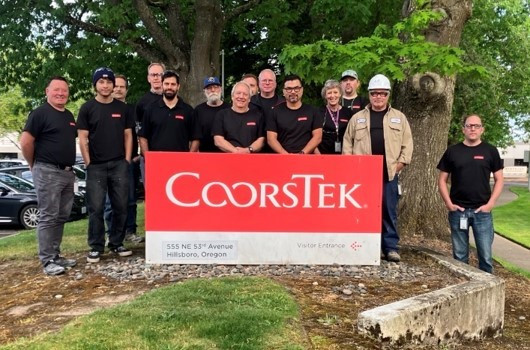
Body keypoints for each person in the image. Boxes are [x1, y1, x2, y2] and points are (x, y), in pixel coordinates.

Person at [342, 74, 413, 262]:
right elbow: (347, 143)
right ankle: (362, 246)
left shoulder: (399, 118)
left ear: (388, 95)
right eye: (374, 94)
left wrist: (400, 164)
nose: (378, 97)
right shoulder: (357, 119)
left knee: (389, 211)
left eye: (382, 94)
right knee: (362, 210)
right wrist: (351, 165)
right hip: (363, 176)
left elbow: (407, 144)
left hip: (388, 174)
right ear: (369, 95)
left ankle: (390, 247)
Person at [20, 76, 78, 275]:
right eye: (56, 90)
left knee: (61, 216)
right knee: (48, 215)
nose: (60, 93)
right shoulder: (40, 113)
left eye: (64, 90)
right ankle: (47, 261)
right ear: (47, 91)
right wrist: (33, 163)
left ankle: (56, 255)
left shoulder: (69, 115)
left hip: (67, 173)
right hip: (47, 170)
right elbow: (26, 141)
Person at [77, 67, 134, 263]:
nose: (106, 85)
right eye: (101, 82)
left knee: (120, 206)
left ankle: (117, 243)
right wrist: (88, 162)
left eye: (109, 82)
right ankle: (96, 246)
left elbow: (128, 135)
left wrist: (127, 159)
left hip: (119, 164)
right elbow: (82, 138)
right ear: (95, 85)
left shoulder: (123, 109)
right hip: (96, 166)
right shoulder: (87, 108)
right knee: (96, 208)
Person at [437, 114, 503, 273]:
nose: (472, 128)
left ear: (482, 129)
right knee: (459, 258)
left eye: (476, 126)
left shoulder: (491, 151)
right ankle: (462, 289)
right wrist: (449, 204)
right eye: (469, 125)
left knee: (486, 258)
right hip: (458, 212)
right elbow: (441, 180)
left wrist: (490, 204)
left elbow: (500, 180)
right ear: (463, 129)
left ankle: (488, 291)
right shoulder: (452, 151)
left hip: (482, 213)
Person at [104, 74, 143, 243]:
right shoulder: (102, 109)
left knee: (130, 200)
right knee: (109, 202)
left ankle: (130, 232)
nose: (118, 89)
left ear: (126, 90)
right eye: (116, 86)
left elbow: (141, 134)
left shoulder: (133, 110)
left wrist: (138, 155)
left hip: (130, 162)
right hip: (108, 162)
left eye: (122, 87)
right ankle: (111, 234)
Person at [138, 70, 194, 152]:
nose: (169, 87)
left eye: (173, 84)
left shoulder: (188, 110)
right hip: (157, 160)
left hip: (181, 161)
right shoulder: (151, 109)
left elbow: (195, 138)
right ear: (162, 85)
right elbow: (143, 137)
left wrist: (189, 158)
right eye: (166, 84)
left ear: (178, 86)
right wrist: (148, 158)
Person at [267, 75, 323, 154]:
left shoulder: (313, 111)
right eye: (289, 89)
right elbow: (271, 139)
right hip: (283, 159)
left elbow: (317, 137)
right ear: (284, 91)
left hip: (307, 159)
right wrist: (286, 155)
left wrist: (302, 153)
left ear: (302, 90)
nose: (293, 92)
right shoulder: (274, 112)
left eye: (296, 88)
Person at [212, 81, 265, 153]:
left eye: (245, 94)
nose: (241, 96)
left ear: (249, 99)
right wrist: (236, 152)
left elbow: (261, 140)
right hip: (227, 160)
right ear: (232, 96)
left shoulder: (258, 116)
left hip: (251, 160)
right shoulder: (221, 115)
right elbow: (218, 140)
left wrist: (248, 150)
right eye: (238, 93)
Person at [135, 62, 165, 181]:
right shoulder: (143, 103)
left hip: (172, 156)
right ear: (148, 78)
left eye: (159, 74)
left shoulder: (175, 99)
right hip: (150, 156)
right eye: (153, 75)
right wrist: (146, 156)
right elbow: (139, 131)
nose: (156, 77)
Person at [190, 77, 230, 152]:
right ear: (204, 91)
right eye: (209, 88)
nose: (213, 90)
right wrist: (190, 157)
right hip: (205, 157)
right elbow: (196, 137)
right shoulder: (199, 110)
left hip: (228, 156)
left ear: (221, 89)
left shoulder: (229, 109)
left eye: (216, 87)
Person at [316, 80, 353, 154]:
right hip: (323, 155)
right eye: (329, 93)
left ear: (340, 94)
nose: (332, 96)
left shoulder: (348, 113)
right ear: (325, 96)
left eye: (335, 92)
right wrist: (319, 157)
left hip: (344, 155)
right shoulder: (318, 112)